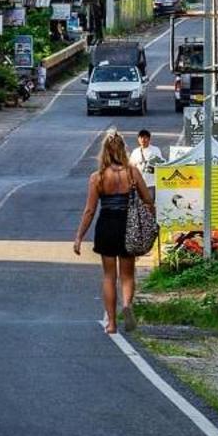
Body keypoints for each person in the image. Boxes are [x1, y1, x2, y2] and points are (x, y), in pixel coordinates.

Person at [72, 130, 154, 335]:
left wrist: (79, 237)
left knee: (109, 276)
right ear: (122, 150)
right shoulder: (132, 172)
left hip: (107, 226)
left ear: (105, 151)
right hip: (129, 226)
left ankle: (111, 324)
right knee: (127, 275)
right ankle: (126, 304)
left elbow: (90, 210)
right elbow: (148, 200)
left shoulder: (97, 177)